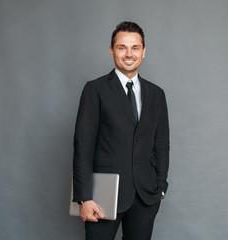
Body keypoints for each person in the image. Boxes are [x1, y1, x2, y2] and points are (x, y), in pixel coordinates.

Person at [72, 21, 170, 240]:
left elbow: (162, 144)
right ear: (111, 51)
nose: (129, 53)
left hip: (145, 196)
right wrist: (84, 198)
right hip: (102, 197)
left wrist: (161, 186)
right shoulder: (95, 90)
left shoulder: (156, 94)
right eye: (121, 47)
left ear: (143, 52)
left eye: (135, 48)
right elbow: (83, 146)